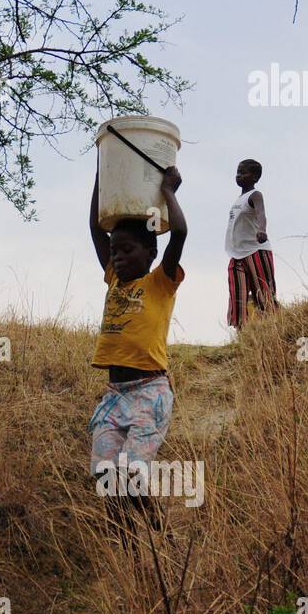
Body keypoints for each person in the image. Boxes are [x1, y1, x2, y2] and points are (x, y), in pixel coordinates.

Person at [87, 164, 186, 526]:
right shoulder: (114, 279)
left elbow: (180, 233)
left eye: (127, 250)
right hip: (114, 394)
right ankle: (128, 546)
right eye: (115, 251)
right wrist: (104, 172)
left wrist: (169, 192)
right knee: (105, 475)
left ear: (150, 254)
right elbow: (94, 229)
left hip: (149, 392)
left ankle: (156, 524)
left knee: (130, 472)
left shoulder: (161, 282)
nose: (117, 257)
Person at [225, 158, 277, 329]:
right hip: (236, 254)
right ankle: (243, 334)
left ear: (255, 177)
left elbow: (261, 213)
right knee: (237, 295)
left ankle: (274, 329)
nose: (238, 176)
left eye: (243, 172)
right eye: (237, 172)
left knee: (264, 294)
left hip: (256, 250)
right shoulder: (238, 200)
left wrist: (262, 230)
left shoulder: (255, 195)